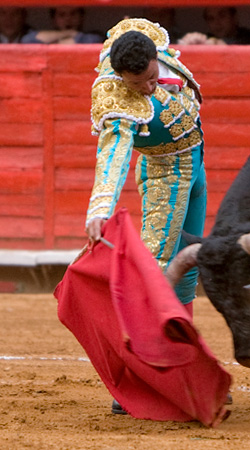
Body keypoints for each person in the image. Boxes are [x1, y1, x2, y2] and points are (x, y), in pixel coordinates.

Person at [86, 18, 207, 324]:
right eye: (137, 84)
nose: (148, 88)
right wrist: (100, 210)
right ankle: (144, 346)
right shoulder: (115, 99)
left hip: (196, 165)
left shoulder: (143, 41)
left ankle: (183, 342)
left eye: (152, 77)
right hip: (164, 174)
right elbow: (113, 154)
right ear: (122, 76)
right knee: (158, 267)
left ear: (156, 58)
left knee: (187, 264)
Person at [23, 7, 103, 44]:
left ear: (81, 17)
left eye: (73, 14)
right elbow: (27, 40)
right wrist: (69, 33)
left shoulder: (92, 37)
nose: (68, 19)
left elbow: (94, 40)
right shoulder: (34, 37)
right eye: (62, 15)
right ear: (54, 20)